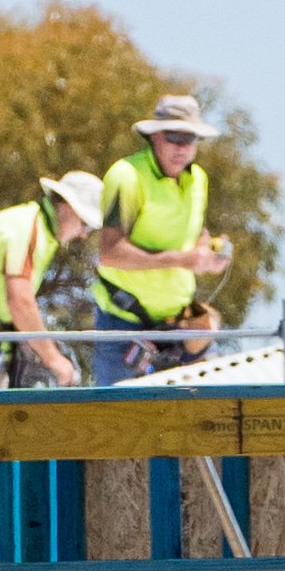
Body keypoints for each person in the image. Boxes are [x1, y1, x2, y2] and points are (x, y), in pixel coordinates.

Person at [87, 90, 240, 376]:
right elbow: (110, 254)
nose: (181, 147)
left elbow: (191, 239)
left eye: (190, 138)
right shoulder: (127, 176)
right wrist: (183, 260)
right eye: (173, 136)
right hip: (125, 326)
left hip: (180, 326)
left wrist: (208, 256)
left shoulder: (198, 181)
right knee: (116, 418)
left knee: (201, 415)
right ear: (155, 136)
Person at [0, 170, 109, 387]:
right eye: (85, 224)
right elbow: (20, 301)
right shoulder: (27, 229)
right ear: (67, 206)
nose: (83, 234)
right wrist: (54, 359)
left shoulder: (32, 225)